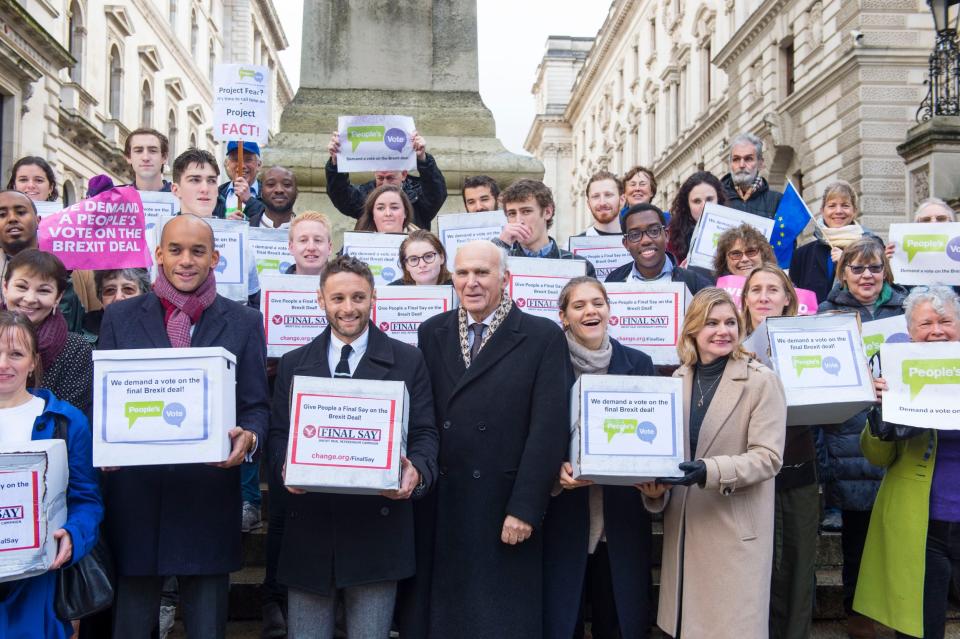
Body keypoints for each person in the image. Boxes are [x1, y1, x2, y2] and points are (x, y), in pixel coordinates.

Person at [98, 214, 269, 638]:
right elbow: (102, 399)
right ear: (158, 255)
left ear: (215, 258)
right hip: (136, 498)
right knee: (133, 625)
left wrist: (249, 438)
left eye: (197, 251)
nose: (186, 261)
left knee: (207, 627)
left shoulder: (243, 321)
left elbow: (256, 406)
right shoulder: (119, 317)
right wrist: (104, 446)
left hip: (207, 497)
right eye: (175, 250)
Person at [268, 254, 438, 638]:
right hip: (310, 529)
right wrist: (284, 466)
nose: (348, 308)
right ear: (321, 300)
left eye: (358, 298)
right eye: (338, 298)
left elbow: (426, 431)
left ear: (374, 298)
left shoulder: (408, 360)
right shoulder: (294, 363)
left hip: (377, 532)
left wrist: (418, 472)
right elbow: (279, 434)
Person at [415, 240, 572, 638]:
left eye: (482, 273)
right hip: (444, 504)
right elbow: (424, 417)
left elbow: (548, 430)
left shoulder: (541, 336)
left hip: (503, 508)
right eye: (463, 273)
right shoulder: (431, 332)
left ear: (505, 278)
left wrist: (524, 507)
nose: (471, 283)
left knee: (500, 622)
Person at [637, 288, 786, 638]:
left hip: (732, 534)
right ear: (692, 330)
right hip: (685, 536)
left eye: (731, 322)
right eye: (712, 323)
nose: (723, 331)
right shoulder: (677, 381)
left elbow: (768, 458)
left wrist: (710, 470)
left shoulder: (761, 381)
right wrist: (656, 491)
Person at [542, 276, 655, 639]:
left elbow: (653, 438)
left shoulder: (639, 363)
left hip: (619, 520)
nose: (590, 310)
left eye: (597, 303)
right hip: (562, 518)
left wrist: (655, 484)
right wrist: (552, 471)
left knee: (618, 623)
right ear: (563, 316)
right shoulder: (544, 364)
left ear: (608, 309)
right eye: (579, 305)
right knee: (562, 623)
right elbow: (531, 434)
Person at [855, 285, 960, 639]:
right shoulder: (895, 373)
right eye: (925, 324)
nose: (936, 331)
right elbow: (877, 456)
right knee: (919, 629)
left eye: (945, 321)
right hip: (921, 523)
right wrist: (879, 409)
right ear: (910, 333)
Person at [816, 236, 907, 639]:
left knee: (900, 538)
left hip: (904, 432)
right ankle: (859, 617)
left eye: (874, 268)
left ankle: (899, 613)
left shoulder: (907, 308)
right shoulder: (826, 315)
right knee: (857, 540)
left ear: (884, 270)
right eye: (857, 268)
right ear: (843, 273)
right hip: (849, 436)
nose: (867, 275)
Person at [0, 311, 103, 639]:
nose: (3, 363)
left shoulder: (65, 421)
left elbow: (87, 500)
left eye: (16, 354)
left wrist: (74, 535)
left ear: (33, 362)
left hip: (37, 584)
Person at [741, 265, 819, 639]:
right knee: (752, 573)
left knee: (797, 569)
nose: (764, 296)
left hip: (797, 468)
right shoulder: (729, 341)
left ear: (789, 298)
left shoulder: (811, 341)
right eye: (755, 290)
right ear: (745, 299)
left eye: (773, 289)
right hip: (746, 477)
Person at [2, 249, 93, 417]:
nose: (29, 299)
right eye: (21, 287)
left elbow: (68, 421)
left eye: (43, 291)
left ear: (58, 297)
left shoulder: (75, 350)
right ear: (5, 287)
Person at [171, 148, 260, 305]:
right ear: (176, 190)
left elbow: (254, 302)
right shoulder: (155, 239)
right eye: (195, 180)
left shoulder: (240, 244)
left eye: (211, 181)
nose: (205, 189)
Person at [326, 130, 447, 229]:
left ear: (404, 174)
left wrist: (422, 158)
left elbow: (436, 193)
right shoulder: (365, 194)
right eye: (380, 178)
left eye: (390, 178)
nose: (384, 184)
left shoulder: (418, 197)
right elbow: (340, 195)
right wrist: (336, 163)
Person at [790, 180, 877, 303]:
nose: (838, 211)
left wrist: (846, 262)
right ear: (822, 210)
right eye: (832, 205)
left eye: (845, 205)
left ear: (854, 211)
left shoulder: (872, 248)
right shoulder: (801, 255)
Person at [493, 179, 596, 276]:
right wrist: (501, 244)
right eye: (512, 214)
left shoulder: (580, 266)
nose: (518, 220)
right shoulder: (502, 263)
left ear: (547, 212)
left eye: (526, 211)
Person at [604, 203, 713, 293]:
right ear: (626, 244)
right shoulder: (613, 282)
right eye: (635, 235)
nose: (646, 240)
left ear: (666, 235)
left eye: (654, 231)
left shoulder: (694, 284)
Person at [666, 171, 727, 264]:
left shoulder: (734, 228)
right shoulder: (672, 237)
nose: (704, 206)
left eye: (709, 199)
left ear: (719, 199)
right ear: (687, 205)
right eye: (697, 201)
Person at [720, 133, 783, 218]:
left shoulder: (777, 201)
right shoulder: (717, 199)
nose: (742, 165)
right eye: (736, 159)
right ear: (730, 164)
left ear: (760, 164)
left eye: (748, 159)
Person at [82, 268, 151, 340]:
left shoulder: (158, 327)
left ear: (143, 294)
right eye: (110, 290)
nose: (118, 298)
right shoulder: (82, 328)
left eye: (128, 289)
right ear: (101, 297)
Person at [210, 141, 264, 221]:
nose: (242, 166)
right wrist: (225, 223)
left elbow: (273, 222)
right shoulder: (216, 194)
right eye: (235, 160)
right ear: (227, 164)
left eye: (248, 160)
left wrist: (249, 201)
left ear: (258, 165)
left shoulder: (269, 194)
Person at [573, 170, 625, 237]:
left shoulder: (638, 243)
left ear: (622, 200)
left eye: (608, 195)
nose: (602, 203)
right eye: (596, 196)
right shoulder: (574, 245)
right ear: (588, 204)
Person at [123, 128, 171, 192]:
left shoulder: (182, 198)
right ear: (128, 157)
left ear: (164, 157)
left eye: (153, 151)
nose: (145, 158)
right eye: (138, 151)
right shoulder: (115, 198)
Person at [286, 211, 333, 276]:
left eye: (317, 240)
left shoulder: (344, 286)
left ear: (329, 248)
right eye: (303, 240)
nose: (311, 247)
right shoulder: (274, 285)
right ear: (291, 247)